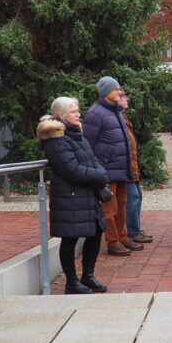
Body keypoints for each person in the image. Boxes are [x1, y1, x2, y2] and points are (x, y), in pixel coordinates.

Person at [37, 98, 109, 294]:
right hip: (70, 196)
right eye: (73, 112)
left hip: (87, 194)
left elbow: (93, 161)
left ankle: (88, 275)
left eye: (78, 111)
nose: (79, 114)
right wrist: (99, 176)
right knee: (70, 239)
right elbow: (71, 169)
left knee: (95, 233)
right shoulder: (56, 140)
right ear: (61, 116)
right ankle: (72, 281)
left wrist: (100, 173)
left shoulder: (79, 137)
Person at [84, 77, 141, 257]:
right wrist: (96, 169)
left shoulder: (116, 111)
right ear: (105, 92)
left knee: (121, 205)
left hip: (121, 169)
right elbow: (88, 144)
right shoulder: (96, 114)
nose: (119, 92)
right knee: (110, 208)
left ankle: (122, 237)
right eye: (115, 89)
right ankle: (112, 242)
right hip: (106, 170)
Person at [117, 89, 152, 245]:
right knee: (132, 198)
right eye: (123, 96)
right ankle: (133, 232)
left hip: (132, 166)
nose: (127, 99)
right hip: (125, 167)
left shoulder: (122, 117)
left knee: (137, 196)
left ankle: (135, 230)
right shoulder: (116, 118)